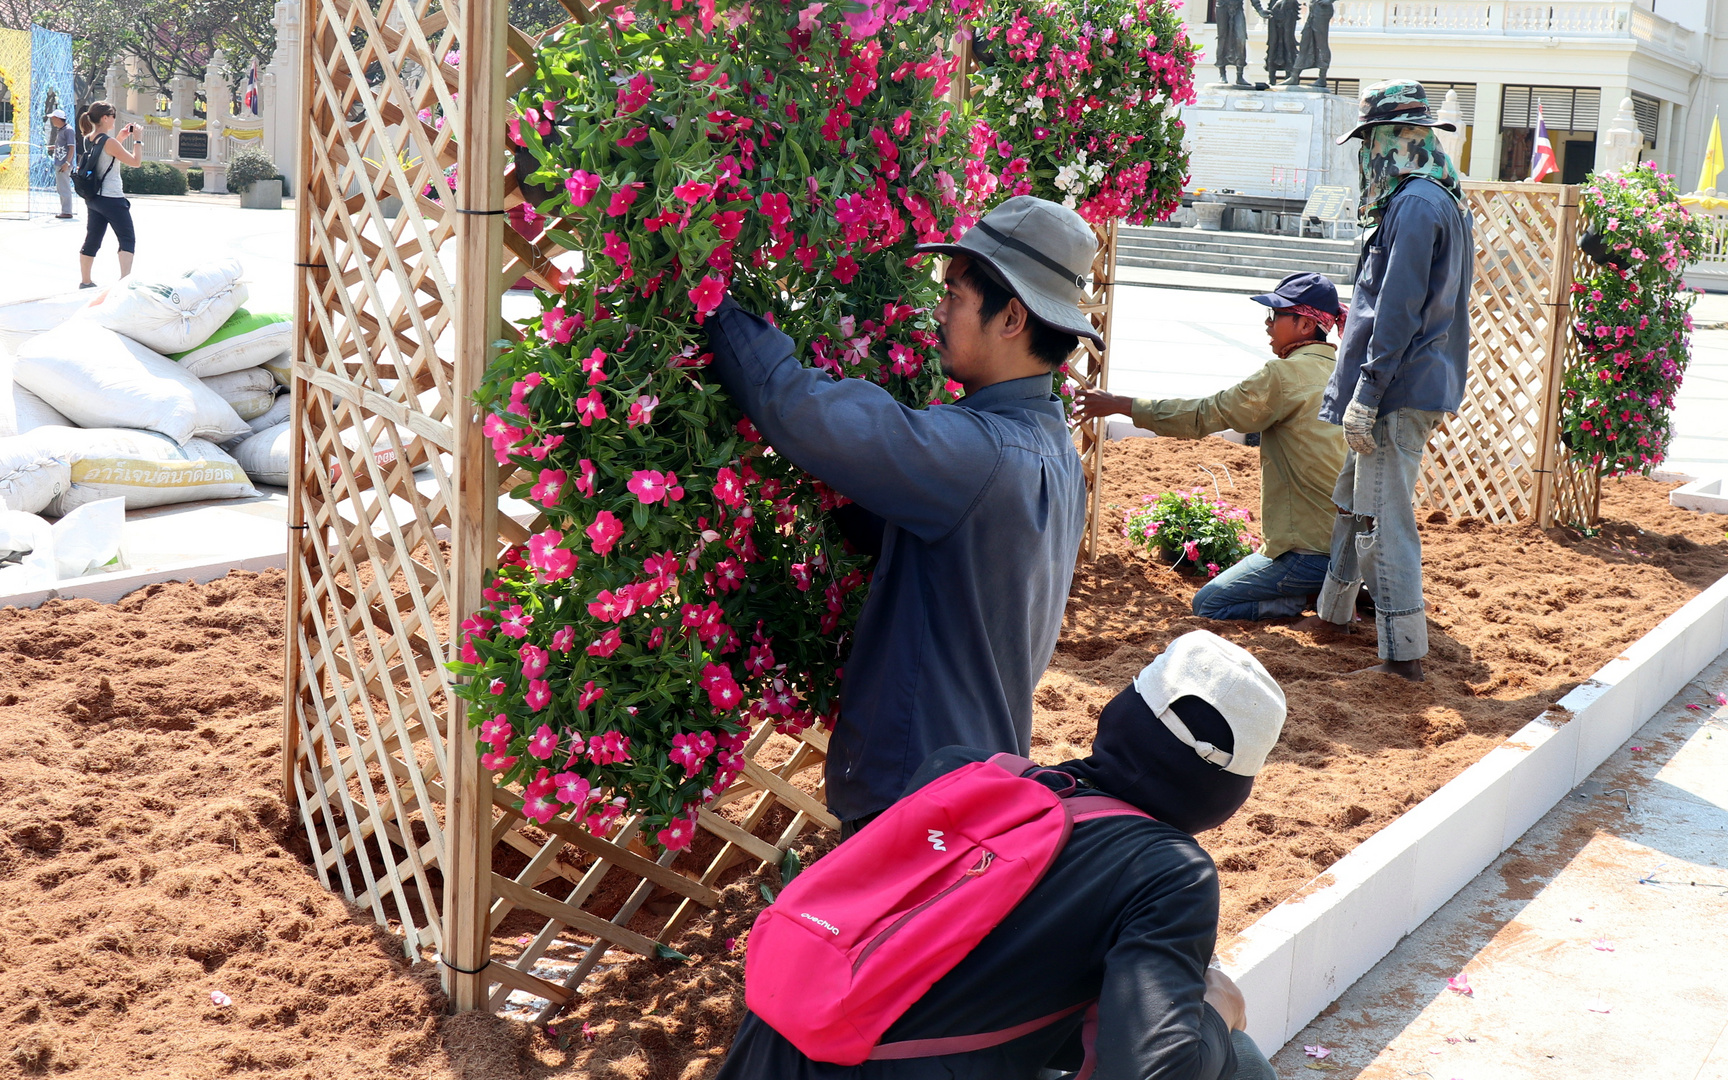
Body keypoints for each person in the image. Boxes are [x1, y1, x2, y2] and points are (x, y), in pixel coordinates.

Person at [717, 630, 1286, 1080]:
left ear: (1121, 711)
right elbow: (1149, 1071)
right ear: (1226, 795)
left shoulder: (962, 769)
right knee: (1239, 1062)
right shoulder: (1169, 873)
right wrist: (1216, 1013)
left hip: (770, 1047)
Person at [703, 195, 1094, 838]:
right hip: (980, 778)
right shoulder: (1053, 450)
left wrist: (708, 292)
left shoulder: (979, 453)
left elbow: (795, 408)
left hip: (920, 791)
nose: (937, 313)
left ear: (1012, 318)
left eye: (955, 297)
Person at [1310, 80, 1473, 681]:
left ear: (1394, 139)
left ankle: (1402, 655)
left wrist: (1367, 394)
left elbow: (1397, 310)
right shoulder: (1436, 198)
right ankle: (1333, 616)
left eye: (1370, 140)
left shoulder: (1415, 204)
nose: (1365, 155)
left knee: (1383, 517)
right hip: (1405, 383)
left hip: (1397, 390)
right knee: (1355, 502)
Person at [1075, 272, 1348, 622]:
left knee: (1209, 604)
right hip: (1348, 548)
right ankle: (1328, 589)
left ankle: (1301, 600)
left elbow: (1207, 414)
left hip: (1305, 553)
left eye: (1275, 315)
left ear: (1305, 324)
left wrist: (1122, 404)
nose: (1267, 325)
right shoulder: (1343, 371)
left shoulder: (1284, 375)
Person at [76, 101, 144, 288]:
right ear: (105, 118)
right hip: (112, 198)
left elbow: (105, 155)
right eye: (113, 115)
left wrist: (120, 138)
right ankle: (125, 281)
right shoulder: (109, 142)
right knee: (127, 238)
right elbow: (136, 162)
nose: (114, 118)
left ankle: (86, 280)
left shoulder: (88, 138)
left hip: (94, 199)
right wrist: (137, 139)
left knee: (93, 238)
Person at [48, 109, 76, 220]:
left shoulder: (68, 130)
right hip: (60, 162)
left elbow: (71, 147)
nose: (52, 120)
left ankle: (67, 211)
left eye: (53, 118)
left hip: (63, 163)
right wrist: (51, 147)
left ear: (58, 118)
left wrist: (67, 163)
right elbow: (63, 146)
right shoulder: (61, 130)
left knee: (64, 187)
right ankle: (65, 210)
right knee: (61, 187)